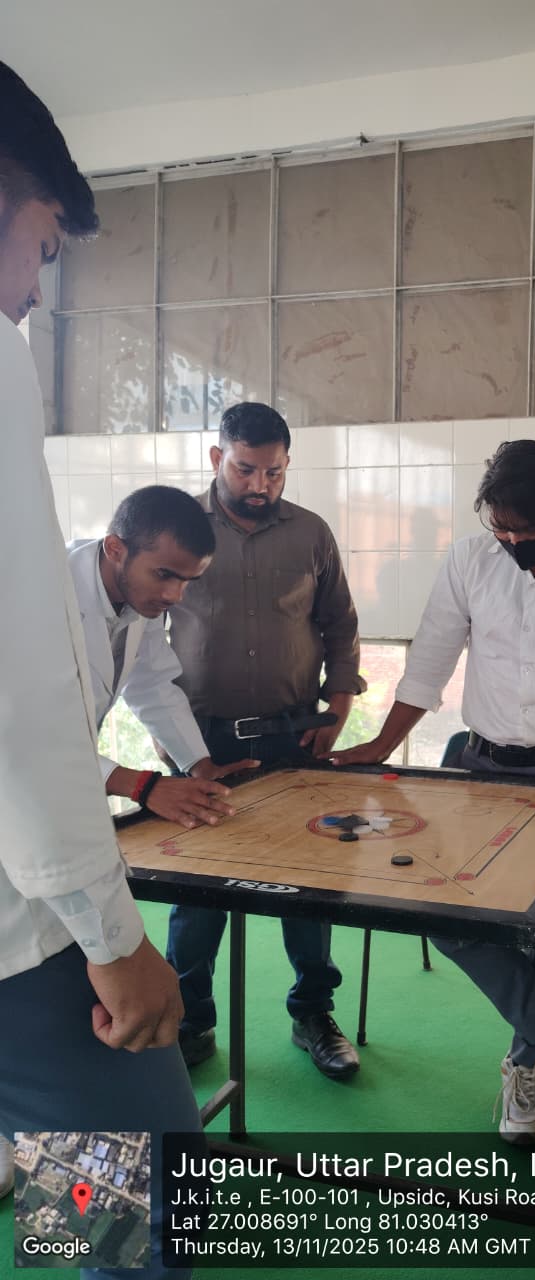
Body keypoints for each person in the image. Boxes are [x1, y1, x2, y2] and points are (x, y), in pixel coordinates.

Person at [0, 60, 200, 1279]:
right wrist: (112, 934)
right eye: (37, 243)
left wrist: (185, 768)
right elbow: (24, 709)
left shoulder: (142, 608)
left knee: (74, 1188)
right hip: (20, 927)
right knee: (147, 1202)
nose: (32, 291)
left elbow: (152, 686)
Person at [330, 439, 535, 1142]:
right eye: (502, 530)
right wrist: (379, 745)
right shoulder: (470, 560)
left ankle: (527, 1068)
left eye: (529, 531)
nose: (514, 543)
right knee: (439, 906)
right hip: (480, 769)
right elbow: (431, 660)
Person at [165, 402, 366, 1079]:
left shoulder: (310, 533)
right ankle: (189, 1022)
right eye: (245, 469)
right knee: (197, 892)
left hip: (293, 739)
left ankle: (314, 1014)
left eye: (274, 472)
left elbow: (340, 624)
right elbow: (144, 634)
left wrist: (338, 708)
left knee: (307, 886)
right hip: (202, 743)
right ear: (215, 457)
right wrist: (175, 739)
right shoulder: (180, 530)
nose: (260, 485)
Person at [69, 484, 260, 828]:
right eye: (164, 574)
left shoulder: (140, 596)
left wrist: (201, 767)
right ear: (115, 548)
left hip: (59, 783)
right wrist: (143, 786)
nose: (174, 595)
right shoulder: (45, 595)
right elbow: (23, 728)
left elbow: (151, 683)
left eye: (188, 580)